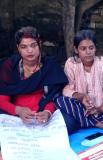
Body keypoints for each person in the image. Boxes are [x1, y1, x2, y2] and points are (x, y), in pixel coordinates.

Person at [0, 26, 68, 159]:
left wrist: (48, 112)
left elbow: (55, 96)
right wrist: (17, 110)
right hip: (14, 116)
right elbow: (1, 99)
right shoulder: (9, 66)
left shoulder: (50, 66)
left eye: (33, 45)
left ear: (39, 44)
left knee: (69, 120)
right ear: (18, 48)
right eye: (24, 47)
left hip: (42, 116)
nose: (29, 50)